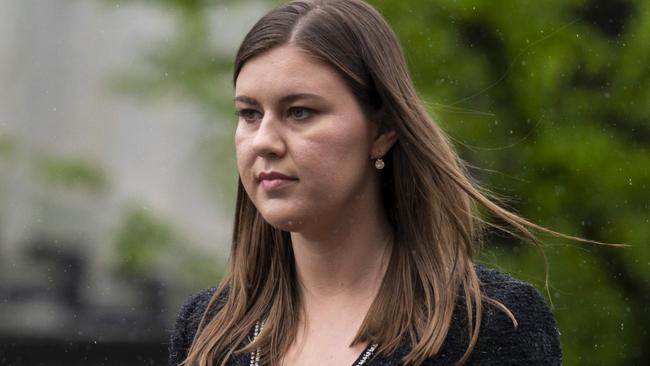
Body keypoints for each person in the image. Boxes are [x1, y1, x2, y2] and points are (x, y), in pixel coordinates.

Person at [169, 0, 564, 365]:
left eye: (300, 112)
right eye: (250, 113)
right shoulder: (208, 332)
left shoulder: (486, 326)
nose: (264, 142)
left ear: (383, 128)